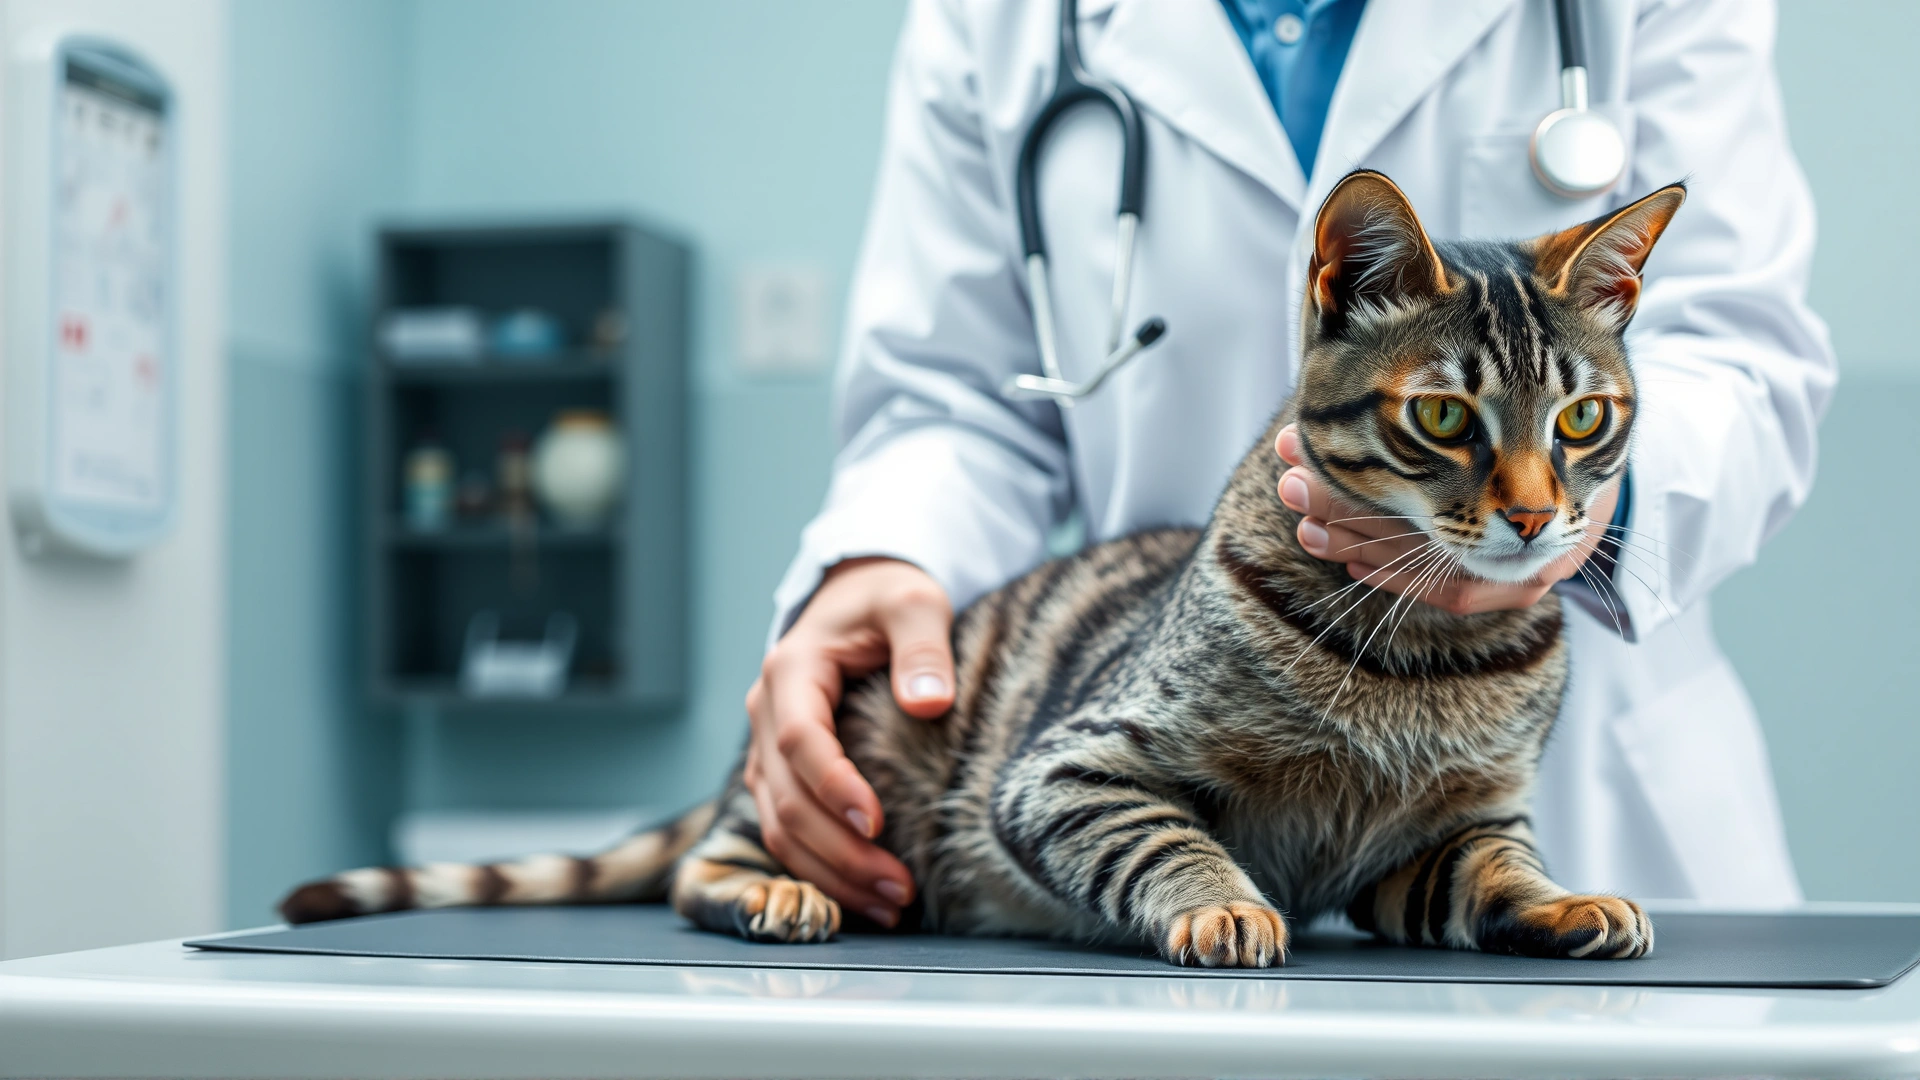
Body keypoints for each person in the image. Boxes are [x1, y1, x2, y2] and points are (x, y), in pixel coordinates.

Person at [743, 0, 1834, 929]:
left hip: (1597, 804)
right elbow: (957, 395)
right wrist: (885, 558)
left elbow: (1746, 356)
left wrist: (1566, 511)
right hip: (1185, 766)